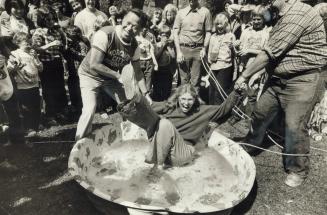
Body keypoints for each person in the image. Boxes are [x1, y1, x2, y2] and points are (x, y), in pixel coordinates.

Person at [234, 0, 327, 187]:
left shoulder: (297, 14)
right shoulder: (280, 13)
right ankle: (252, 143)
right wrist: (260, 72)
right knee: (260, 113)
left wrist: (244, 75)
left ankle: (297, 168)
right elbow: (278, 52)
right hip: (277, 78)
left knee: (294, 125)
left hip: (301, 80)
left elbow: (270, 52)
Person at [118, 84, 242, 167]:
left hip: (181, 153)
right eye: (183, 99)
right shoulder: (169, 106)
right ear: (177, 98)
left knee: (164, 123)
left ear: (195, 100)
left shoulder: (203, 110)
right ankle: (128, 106)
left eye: (190, 100)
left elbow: (224, 109)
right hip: (164, 149)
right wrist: (139, 101)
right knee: (153, 118)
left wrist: (237, 92)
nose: (186, 103)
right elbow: (149, 108)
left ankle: (156, 168)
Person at [75, 9, 151, 140]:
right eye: (127, 23)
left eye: (135, 27)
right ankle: (79, 142)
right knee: (90, 108)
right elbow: (95, 64)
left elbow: (138, 72)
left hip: (110, 78)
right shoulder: (105, 34)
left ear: (140, 30)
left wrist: (146, 94)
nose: (129, 28)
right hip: (89, 75)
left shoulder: (135, 46)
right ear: (122, 20)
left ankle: (130, 138)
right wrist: (118, 76)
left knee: (128, 105)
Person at [32, 6, 68, 125]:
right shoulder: (39, 32)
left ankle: (59, 112)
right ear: (42, 20)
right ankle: (50, 115)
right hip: (46, 64)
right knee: (48, 90)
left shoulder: (56, 30)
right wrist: (51, 44)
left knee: (59, 87)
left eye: (52, 19)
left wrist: (62, 38)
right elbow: (35, 49)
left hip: (57, 62)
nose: (51, 21)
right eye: (48, 19)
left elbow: (63, 44)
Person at [7, 32, 43, 137]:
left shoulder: (32, 53)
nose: (27, 44)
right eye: (25, 42)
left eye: (29, 41)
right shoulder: (15, 54)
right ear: (17, 43)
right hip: (22, 85)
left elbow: (41, 68)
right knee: (26, 107)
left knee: (36, 106)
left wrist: (36, 58)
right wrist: (15, 68)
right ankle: (28, 128)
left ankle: (35, 126)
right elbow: (9, 69)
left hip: (35, 84)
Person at [236, 5, 270, 115]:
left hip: (257, 67)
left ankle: (247, 117)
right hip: (245, 65)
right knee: (240, 89)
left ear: (264, 19)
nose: (256, 21)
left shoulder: (266, 33)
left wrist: (250, 50)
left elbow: (266, 53)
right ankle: (236, 113)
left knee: (252, 92)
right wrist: (237, 47)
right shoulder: (246, 31)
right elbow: (241, 46)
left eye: (259, 19)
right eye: (254, 19)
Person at [173, 0, 212, 90]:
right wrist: (178, 52)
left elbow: (208, 32)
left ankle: (194, 103)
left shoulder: (205, 12)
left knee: (196, 81)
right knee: (183, 81)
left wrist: (204, 49)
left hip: (198, 50)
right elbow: (175, 33)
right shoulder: (181, 13)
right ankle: (183, 103)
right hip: (183, 50)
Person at [204, 13, 236, 105]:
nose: (219, 26)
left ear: (226, 24)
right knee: (211, 90)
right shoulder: (213, 37)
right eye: (217, 24)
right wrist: (209, 65)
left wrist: (233, 47)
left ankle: (219, 113)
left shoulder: (230, 36)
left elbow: (235, 54)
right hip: (214, 66)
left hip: (225, 66)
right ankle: (211, 111)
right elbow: (209, 52)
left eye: (221, 24)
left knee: (220, 91)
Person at [152, 25, 175, 101]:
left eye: (167, 36)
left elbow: (173, 57)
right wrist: (162, 46)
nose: (165, 38)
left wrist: (168, 47)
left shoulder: (170, 46)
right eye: (163, 35)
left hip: (167, 71)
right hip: (158, 72)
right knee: (157, 91)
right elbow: (155, 57)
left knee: (167, 91)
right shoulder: (156, 45)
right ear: (159, 36)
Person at [135, 22, 158, 92]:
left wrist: (155, 62)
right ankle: (139, 98)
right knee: (138, 80)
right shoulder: (135, 37)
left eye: (146, 28)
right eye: (142, 28)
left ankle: (147, 97)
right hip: (139, 61)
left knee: (148, 80)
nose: (144, 29)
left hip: (149, 61)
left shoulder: (149, 37)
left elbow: (151, 51)